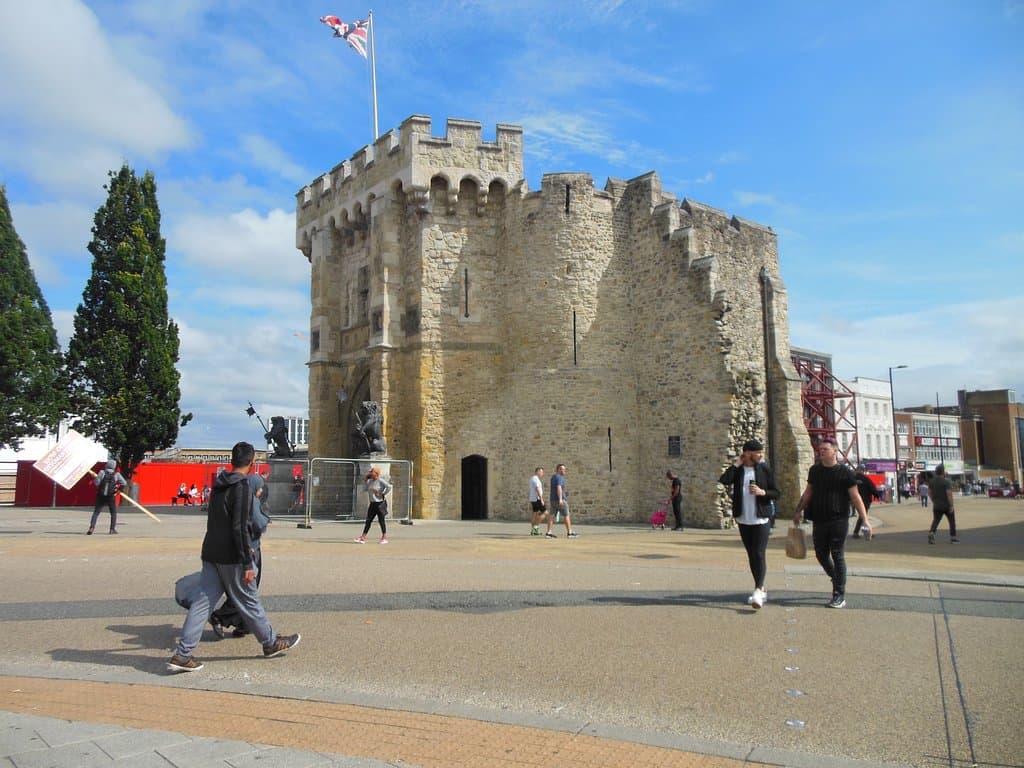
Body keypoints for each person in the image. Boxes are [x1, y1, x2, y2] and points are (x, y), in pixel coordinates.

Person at [167, 441, 300, 672]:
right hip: (232, 556)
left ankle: (182, 654)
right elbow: (239, 527)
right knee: (249, 600)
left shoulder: (220, 484)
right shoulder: (242, 488)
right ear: (251, 463)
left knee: (202, 603)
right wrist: (247, 562)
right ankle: (270, 643)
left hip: (211, 552)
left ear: (232, 460)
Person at [793, 437, 871, 609]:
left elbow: (856, 497)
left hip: (839, 519)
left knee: (837, 554)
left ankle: (839, 594)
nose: (821, 452)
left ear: (835, 451)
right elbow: (808, 493)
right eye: (820, 450)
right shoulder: (815, 471)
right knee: (821, 554)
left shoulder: (845, 472)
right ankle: (836, 579)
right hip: (819, 519)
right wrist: (798, 510)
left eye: (825, 449)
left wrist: (865, 520)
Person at [719, 439, 780, 609]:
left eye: (761, 452)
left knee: (759, 553)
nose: (760, 455)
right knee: (752, 554)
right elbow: (724, 480)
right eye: (757, 452)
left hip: (761, 518)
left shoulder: (764, 468)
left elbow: (776, 492)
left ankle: (758, 590)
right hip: (743, 518)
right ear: (747, 453)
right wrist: (736, 464)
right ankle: (760, 588)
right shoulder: (739, 471)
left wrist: (763, 492)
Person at [210, 472, 270, 638]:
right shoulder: (251, 501)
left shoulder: (238, 497)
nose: (260, 492)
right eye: (259, 489)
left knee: (245, 589)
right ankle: (220, 617)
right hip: (250, 549)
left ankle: (244, 624)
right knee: (247, 589)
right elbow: (259, 523)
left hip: (235, 547)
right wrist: (266, 519)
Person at [89, 460, 126, 535]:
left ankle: (91, 528)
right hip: (111, 496)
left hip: (101, 495)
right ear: (114, 466)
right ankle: (112, 529)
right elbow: (124, 483)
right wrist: (118, 490)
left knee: (96, 512)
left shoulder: (102, 472)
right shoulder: (117, 474)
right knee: (113, 512)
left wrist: (96, 479)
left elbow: (96, 483)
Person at [355, 466, 390, 544]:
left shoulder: (380, 480)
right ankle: (363, 537)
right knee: (368, 520)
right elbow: (365, 489)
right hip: (372, 504)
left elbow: (389, 486)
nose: (370, 473)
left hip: (379, 504)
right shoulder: (370, 481)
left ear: (376, 473)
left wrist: (382, 493)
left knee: (381, 521)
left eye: (372, 472)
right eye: (370, 472)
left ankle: (384, 537)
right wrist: (365, 481)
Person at [926, 465, 959, 544]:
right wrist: (951, 505)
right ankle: (953, 538)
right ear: (943, 472)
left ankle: (932, 533)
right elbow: (949, 494)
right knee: (951, 521)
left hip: (937, 505)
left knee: (936, 520)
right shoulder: (946, 481)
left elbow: (929, 493)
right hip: (946, 505)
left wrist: (934, 500)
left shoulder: (931, 482)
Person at [545, 464, 578, 538]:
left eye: (564, 469)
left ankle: (549, 533)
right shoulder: (559, 477)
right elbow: (559, 487)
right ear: (558, 470)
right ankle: (570, 532)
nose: (564, 471)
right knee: (566, 515)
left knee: (551, 516)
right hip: (560, 500)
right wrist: (560, 499)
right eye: (562, 469)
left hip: (553, 500)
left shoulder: (553, 477)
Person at [852, 467, 878, 539]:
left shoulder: (852, 479)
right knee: (863, 517)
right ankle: (860, 533)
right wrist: (877, 495)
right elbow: (872, 488)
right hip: (865, 501)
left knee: (862, 517)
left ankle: (860, 532)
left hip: (855, 500)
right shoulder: (866, 479)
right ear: (862, 471)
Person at [528, 467, 549, 535]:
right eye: (542, 472)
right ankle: (535, 527)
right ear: (538, 472)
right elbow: (537, 489)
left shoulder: (533, 478)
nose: (542, 473)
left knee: (535, 514)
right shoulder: (535, 479)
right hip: (537, 499)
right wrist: (541, 499)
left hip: (533, 498)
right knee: (545, 513)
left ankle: (533, 531)